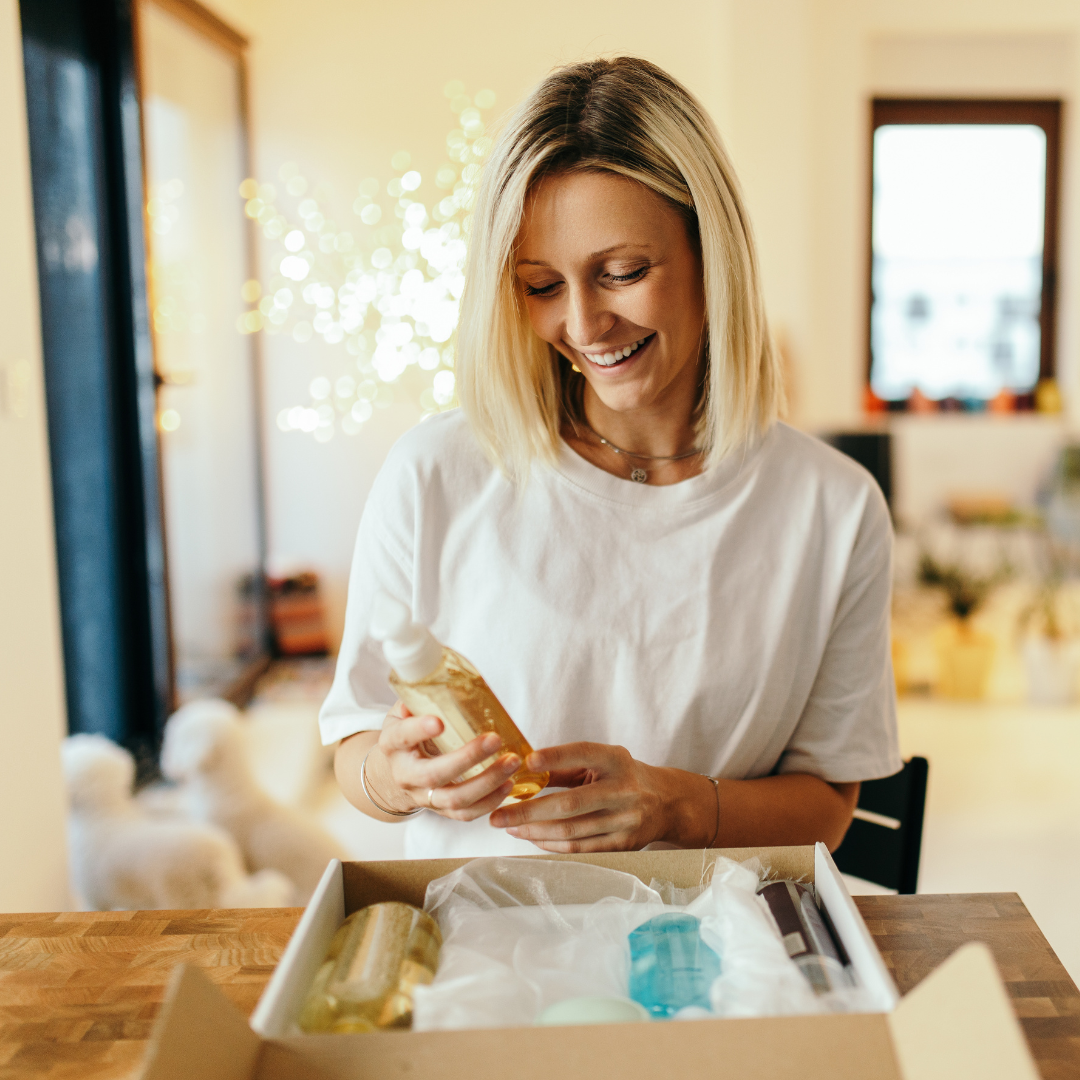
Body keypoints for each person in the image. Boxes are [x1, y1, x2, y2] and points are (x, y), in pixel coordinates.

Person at [321, 57, 900, 859]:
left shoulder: (833, 508)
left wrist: (681, 807)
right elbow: (353, 746)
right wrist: (396, 781)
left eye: (622, 272)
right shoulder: (435, 472)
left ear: (711, 252)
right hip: (490, 947)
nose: (586, 324)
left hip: (716, 954)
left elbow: (830, 803)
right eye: (540, 286)